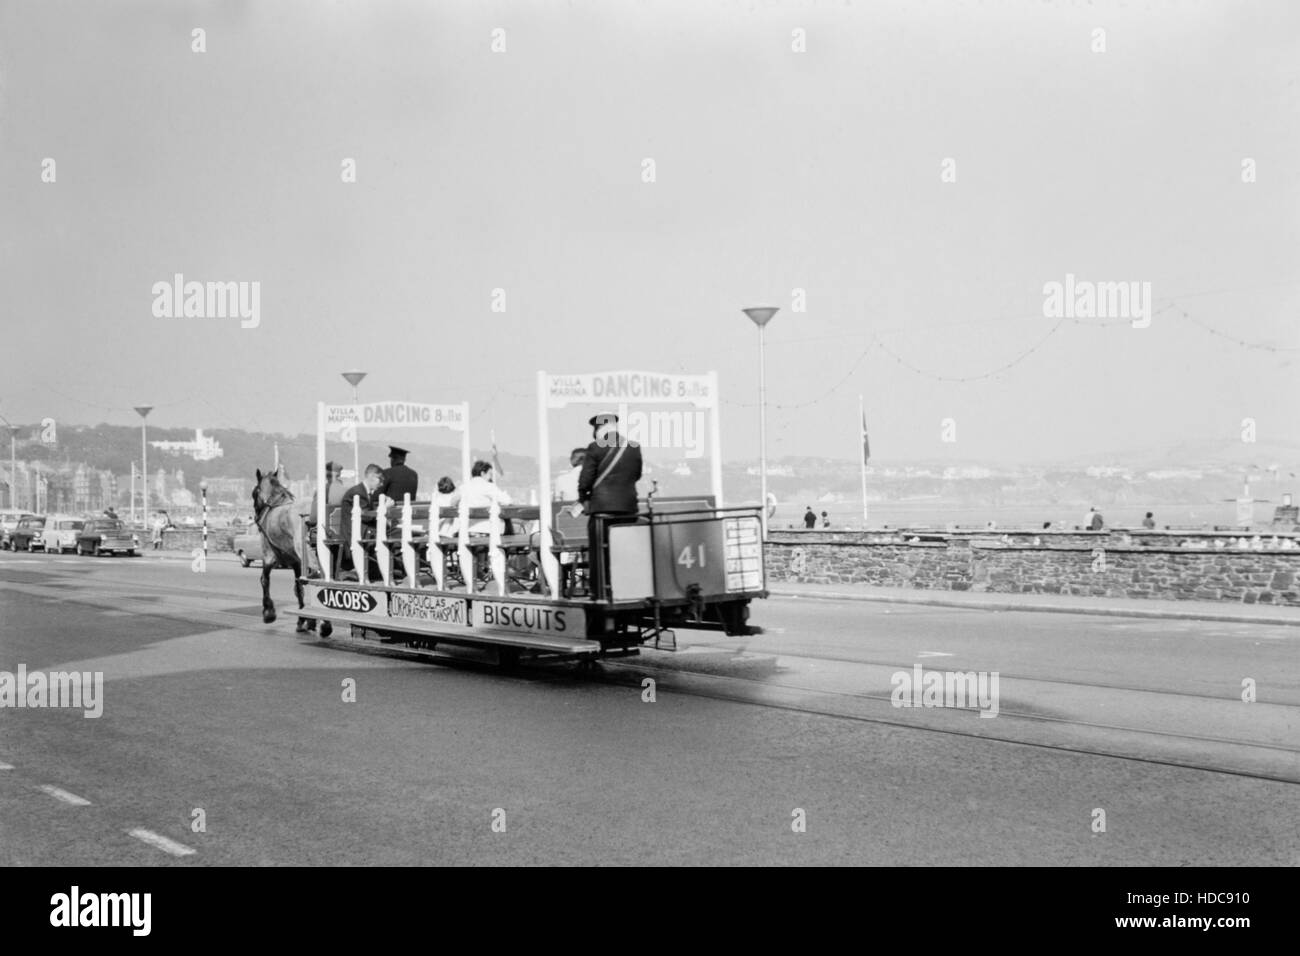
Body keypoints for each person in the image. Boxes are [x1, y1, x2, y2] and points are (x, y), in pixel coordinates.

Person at [578, 413, 642, 600]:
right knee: (625, 550)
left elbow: (585, 480)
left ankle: (600, 592)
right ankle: (628, 589)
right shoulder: (633, 447)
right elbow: (636, 474)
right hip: (629, 507)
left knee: (599, 551)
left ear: (600, 429)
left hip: (602, 509)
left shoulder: (595, 447)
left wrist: (584, 498)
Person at [337, 464, 383, 579]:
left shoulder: (363, 492)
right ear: (372, 476)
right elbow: (366, 516)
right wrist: (384, 508)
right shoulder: (358, 493)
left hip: (361, 531)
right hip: (352, 535)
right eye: (380, 480)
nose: (381, 484)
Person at [305, 461, 348, 575]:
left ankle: (316, 569)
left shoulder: (322, 491)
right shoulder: (347, 491)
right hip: (344, 533)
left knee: (304, 540)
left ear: (326, 475)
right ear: (339, 474)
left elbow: (313, 518)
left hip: (326, 533)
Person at [459, 460, 512, 536]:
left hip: (468, 530)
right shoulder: (488, 486)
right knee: (506, 521)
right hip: (487, 530)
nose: (491, 477)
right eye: (490, 474)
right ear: (483, 473)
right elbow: (507, 500)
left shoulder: (463, 487)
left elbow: (453, 502)